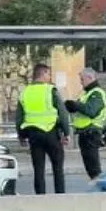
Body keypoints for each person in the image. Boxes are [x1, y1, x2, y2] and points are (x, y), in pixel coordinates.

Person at [16, 63, 70, 194]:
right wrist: (66, 132)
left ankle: (40, 197)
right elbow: (62, 113)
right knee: (58, 168)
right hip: (51, 133)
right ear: (43, 73)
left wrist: (21, 136)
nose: (50, 77)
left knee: (38, 169)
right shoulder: (50, 90)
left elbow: (19, 117)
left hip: (34, 135)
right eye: (49, 74)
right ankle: (60, 196)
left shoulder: (25, 92)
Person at [65, 68, 106, 180]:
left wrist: (76, 106)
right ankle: (97, 187)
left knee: (93, 167)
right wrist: (72, 107)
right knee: (90, 166)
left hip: (91, 133)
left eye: (82, 79)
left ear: (90, 78)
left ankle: (100, 190)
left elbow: (91, 111)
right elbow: (82, 109)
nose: (81, 82)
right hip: (85, 133)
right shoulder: (87, 93)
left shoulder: (97, 93)